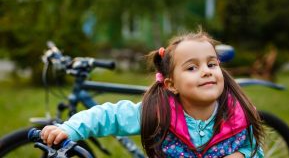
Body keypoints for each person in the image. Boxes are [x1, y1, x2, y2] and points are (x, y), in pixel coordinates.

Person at [41, 30, 264, 158]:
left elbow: (254, 150)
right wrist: (70, 128)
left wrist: (242, 155)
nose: (206, 71)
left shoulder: (237, 115)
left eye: (212, 64)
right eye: (192, 68)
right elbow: (108, 115)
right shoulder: (159, 113)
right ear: (171, 84)